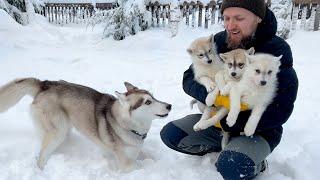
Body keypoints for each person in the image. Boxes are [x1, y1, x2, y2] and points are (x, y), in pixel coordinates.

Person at [160, 0, 299, 179]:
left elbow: (281, 110)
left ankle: (255, 161)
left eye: (238, 18)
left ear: (258, 18)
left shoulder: (275, 50)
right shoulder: (219, 42)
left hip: (258, 130)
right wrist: (215, 98)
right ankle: (223, 145)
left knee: (232, 166)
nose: (230, 25)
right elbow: (189, 78)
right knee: (172, 135)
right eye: (226, 18)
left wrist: (228, 120)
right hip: (218, 120)